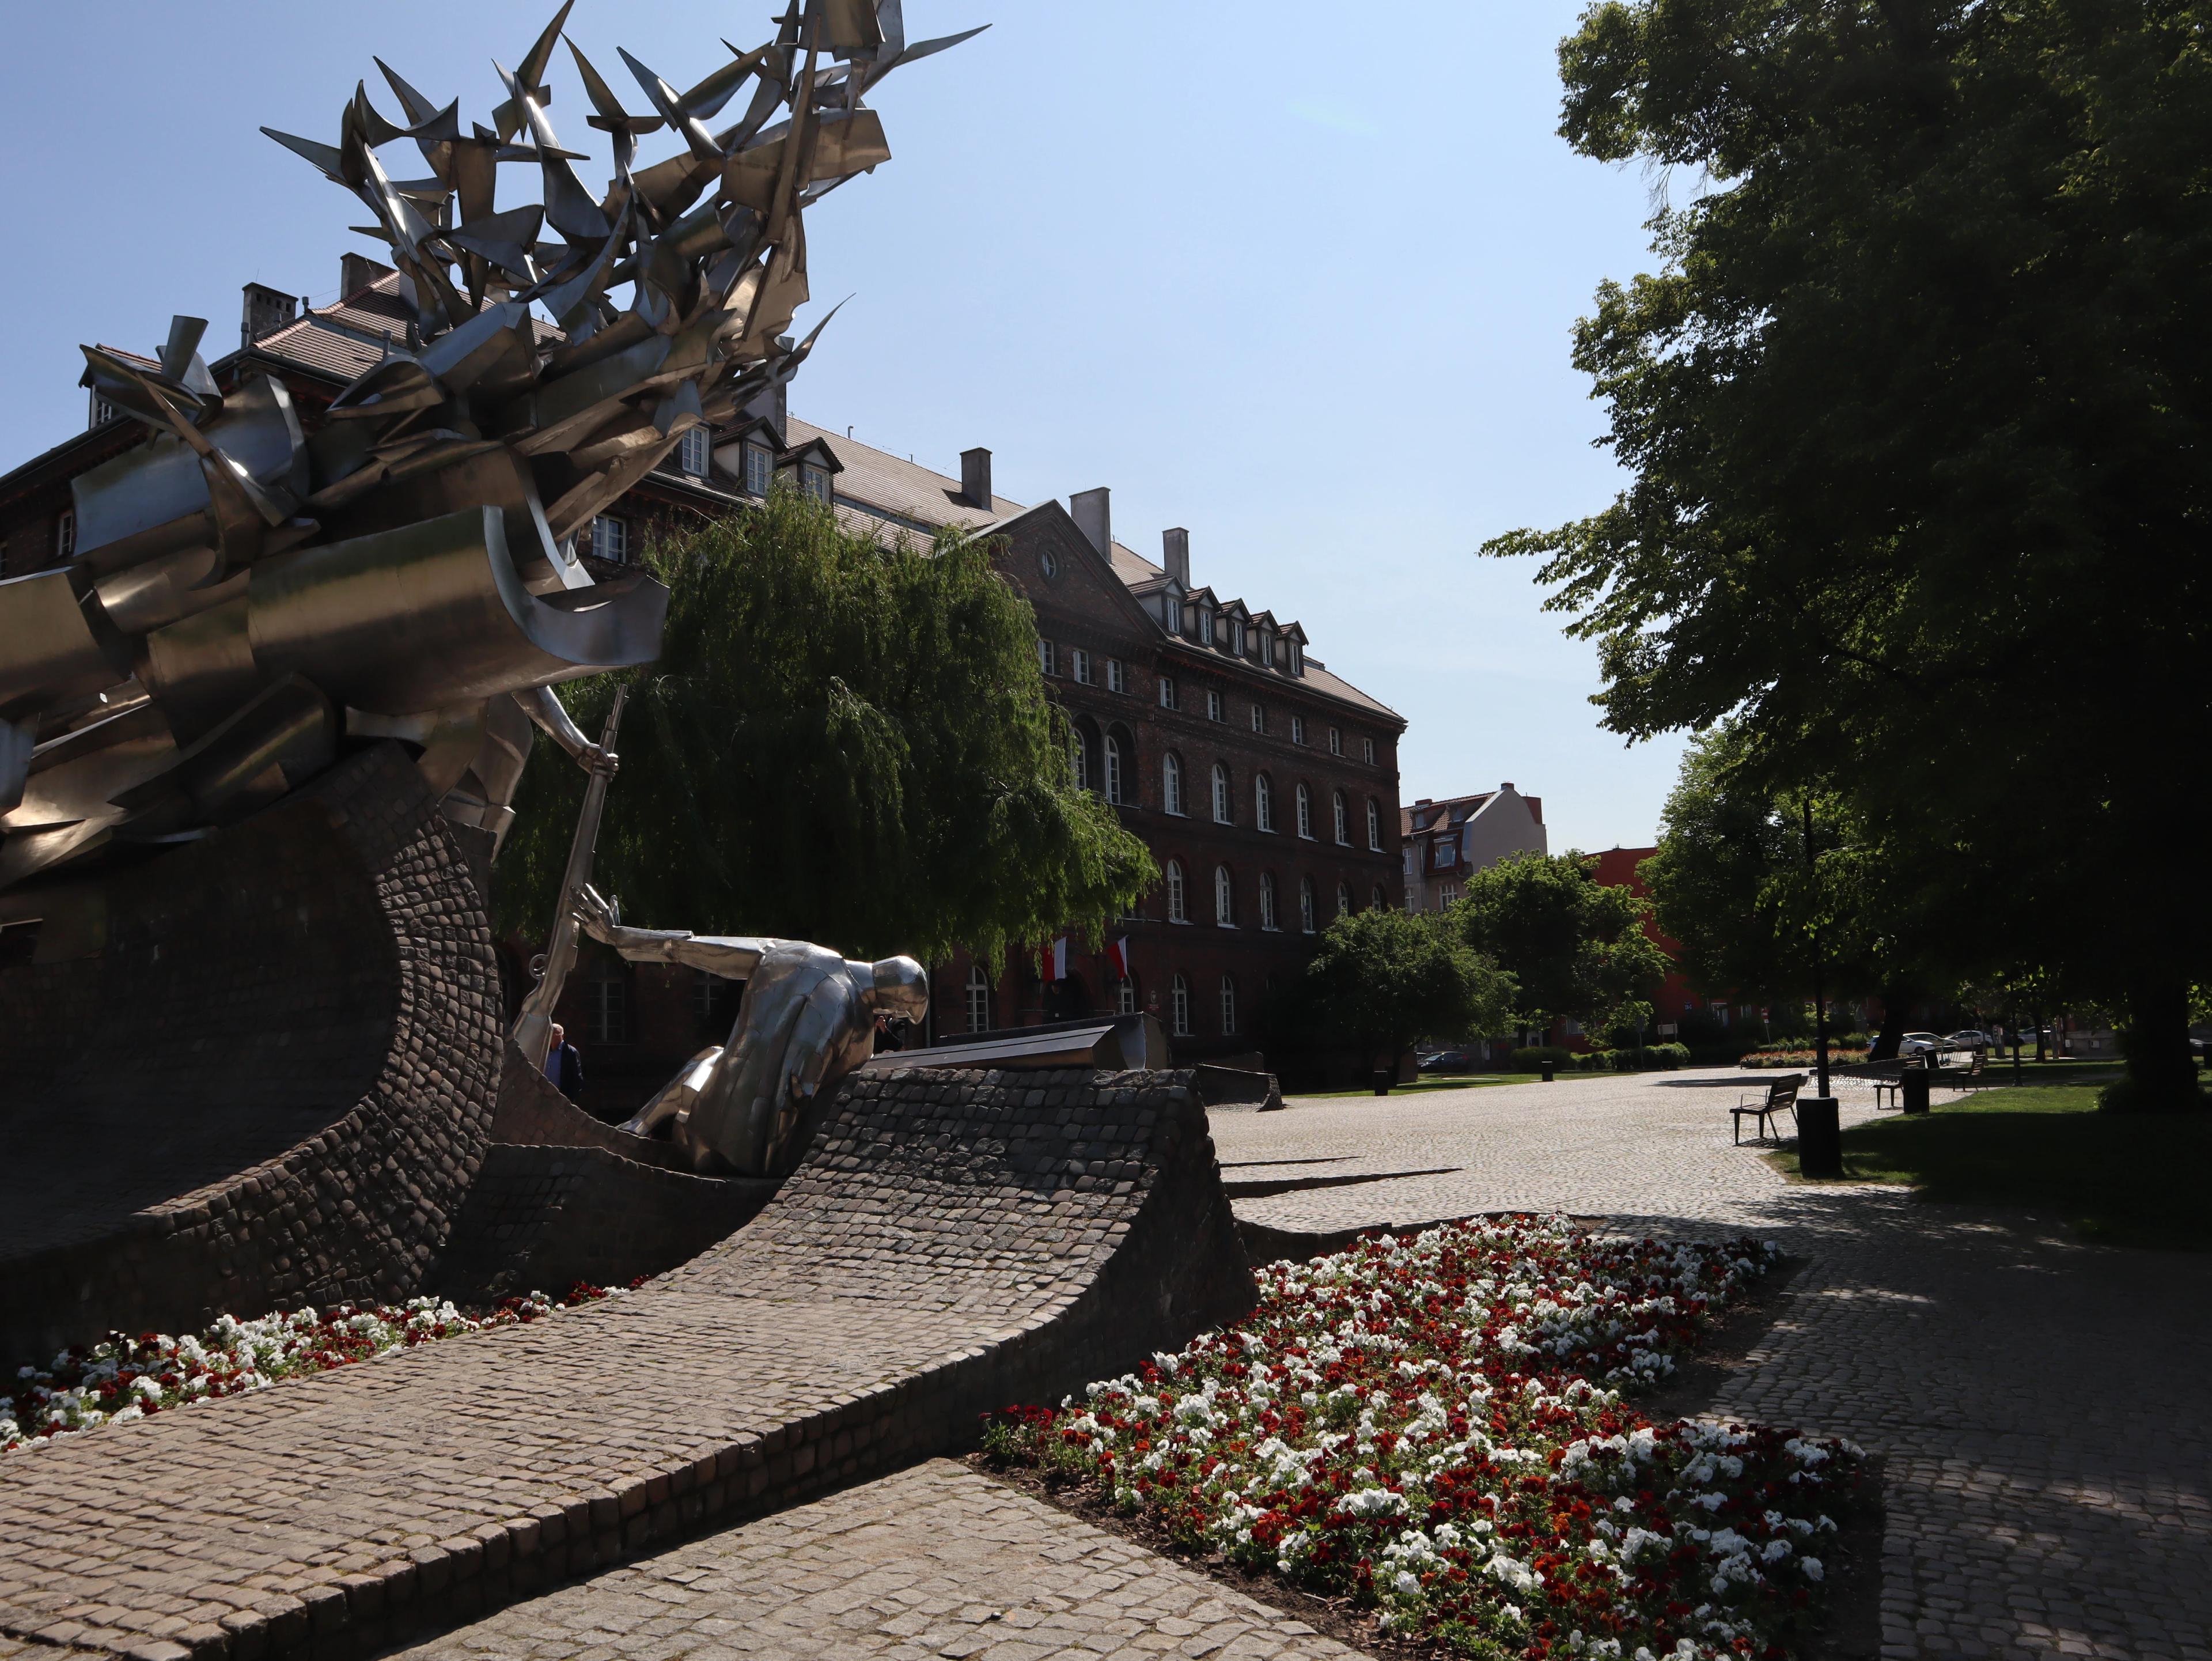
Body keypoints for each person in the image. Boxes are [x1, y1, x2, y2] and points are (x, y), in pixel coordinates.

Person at [543, 1021, 584, 1100]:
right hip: (544, 1097)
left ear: (563, 1036)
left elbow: (577, 1078)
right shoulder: (543, 1050)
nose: (553, 1035)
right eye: (551, 1032)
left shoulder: (570, 1052)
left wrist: (570, 1097)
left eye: (556, 1033)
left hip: (562, 1098)